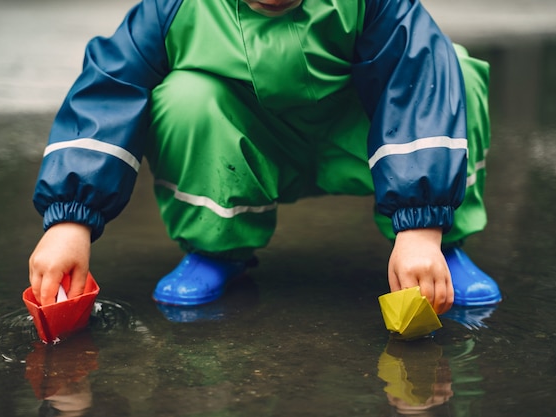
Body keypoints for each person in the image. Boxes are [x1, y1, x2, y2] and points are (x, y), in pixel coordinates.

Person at [28, 0, 502, 317]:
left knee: (451, 70)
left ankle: (440, 246)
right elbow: (109, 90)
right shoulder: (172, 8)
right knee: (185, 97)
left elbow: (417, 74)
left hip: (361, 135)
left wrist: (420, 227)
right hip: (249, 141)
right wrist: (70, 220)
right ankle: (217, 246)